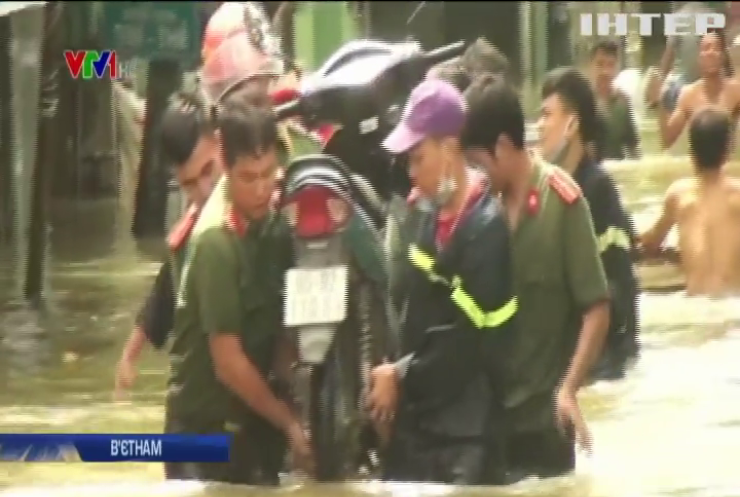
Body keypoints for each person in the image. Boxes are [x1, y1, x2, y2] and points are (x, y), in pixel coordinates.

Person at [462, 74, 610, 480]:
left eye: (477, 162)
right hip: (488, 423)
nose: (473, 173)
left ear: (504, 147)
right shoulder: (474, 209)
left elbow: (596, 310)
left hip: (544, 424)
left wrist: (569, 388)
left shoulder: (563, 202)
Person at [371, 79, 518, 484]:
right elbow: (414, 316)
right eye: (408, 164)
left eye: (419, 159)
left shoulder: (486, 230)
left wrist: (399, 377)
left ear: (450, 149)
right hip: (423, 423)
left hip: (466, 434)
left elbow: (462, 342)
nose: (413, 175)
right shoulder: (429, 220)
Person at [164, 100, 312, 484]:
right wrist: (290, 423)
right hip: (202, 435)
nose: (262, 189)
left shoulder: (277, 221)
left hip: (254, 421)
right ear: (226, 168)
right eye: (249, 177)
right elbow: (228, 363)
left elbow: (283, 320)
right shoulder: (216, 240)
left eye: (268, 174)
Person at [115, 91, 221, 396]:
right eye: (189, 183)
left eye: (208, 171)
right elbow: (163, 294)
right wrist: (128, 358)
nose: (203, 191)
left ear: (219, 143)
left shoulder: (257, 186)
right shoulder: (192, 234)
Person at [540, 67, 640, 379]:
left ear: (571, 125)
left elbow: (620, 285)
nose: (540, 126)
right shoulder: (546, 187)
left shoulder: (598, 191)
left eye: (547, 115)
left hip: (598, 363)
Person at [640, 106, 740, 297]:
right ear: (728, 150)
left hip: (695, 303)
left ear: (691, 152)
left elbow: (652, 243)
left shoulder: (679, 195)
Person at [651, 30, 740, 150]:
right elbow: (667, 140)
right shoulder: (689, 94)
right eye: (706, 48)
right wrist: (660, 101)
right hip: (699, 163)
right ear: (699, 56)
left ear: (723, 56)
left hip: (727, 163)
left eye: (716, 48)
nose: (711, 52)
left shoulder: (735, 91)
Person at [649, 2, 732, 113]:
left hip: (687, 82)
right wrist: (730, 77)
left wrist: (659, 84)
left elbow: (668, 55)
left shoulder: (677, 18)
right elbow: (723, 52)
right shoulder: (712, 16)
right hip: (703, 82)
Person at [589, 39, 641, 160]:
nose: (605, 71)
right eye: (600, 64)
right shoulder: (582, 100)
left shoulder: (623, 102)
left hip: (617, 172)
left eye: (610, 65)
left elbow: (632, 145)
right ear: (590, 65)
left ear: (617, 68)